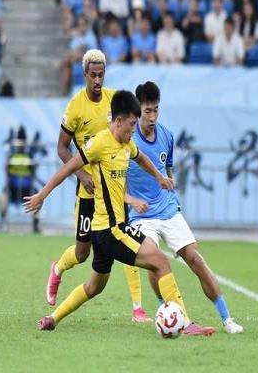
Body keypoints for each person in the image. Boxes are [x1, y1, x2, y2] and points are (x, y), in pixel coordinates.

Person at [26, 90, 214, 336]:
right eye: (131, 124)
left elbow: (141, 158)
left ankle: (52, 318)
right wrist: (42, 195)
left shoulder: (127, 143)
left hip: (105, 231)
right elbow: (67, 169)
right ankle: (186, 324)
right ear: (117, 121)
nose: (134, 130)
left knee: (94, 287)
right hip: (111, 229)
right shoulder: (99, 144)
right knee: (161, 261)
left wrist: (159, 177)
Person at [127, 81, 244, 334]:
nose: (152, 117)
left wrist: (171, 188)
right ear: (137, 111)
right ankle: (169, 311)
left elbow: (166, 169)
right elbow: (114, 181)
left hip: (168, 209)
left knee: (196, 259)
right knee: (154, 260)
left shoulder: (166, 136)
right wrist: (131, 200)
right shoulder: (127, 140)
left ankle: (227, 319)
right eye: (147, 111)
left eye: (156, 110)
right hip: (141, 215)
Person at [43, 50, 151, 323]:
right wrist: (81, 175)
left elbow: (127, 132)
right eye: (93, 75)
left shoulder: (113, 101)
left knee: (126, 240)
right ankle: (58, 268)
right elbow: (62, 148)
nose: (97, 80)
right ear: (84, 75)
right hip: (88, 191)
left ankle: (138, 307)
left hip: (112, 192)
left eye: (101, 75)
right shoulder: (75, 107)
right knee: (82, 253)